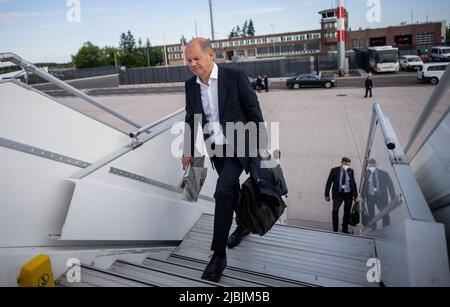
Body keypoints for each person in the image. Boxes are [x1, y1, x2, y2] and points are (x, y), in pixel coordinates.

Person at [182, 38, 267, 282]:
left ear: (211, 55)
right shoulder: (190, 85)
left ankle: (218, 255)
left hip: (240, 146)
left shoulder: (235, 76)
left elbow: (253, 110)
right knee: (230, 189)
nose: (193, 64)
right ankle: (243, 225)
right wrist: (187, 149)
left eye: (196, 58)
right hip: (215, 149)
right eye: (189, 60)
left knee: (223, 190)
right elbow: (191, 118)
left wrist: (260, 145)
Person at [324, 157, 358, 233]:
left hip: (348, 194)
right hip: (338, 194)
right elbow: (329, 182)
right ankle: (335, 229)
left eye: (348, 165)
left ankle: (344, 229)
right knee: (335, 210)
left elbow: (353, 183)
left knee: (347, 212)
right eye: (345, 164)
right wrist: (326, 194)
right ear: (342, 163)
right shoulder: (334, 170)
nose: (347, 166)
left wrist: (355, 196)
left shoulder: (350, 171)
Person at [361, 159, 396, 230]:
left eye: (372, 165)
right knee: (371, 214)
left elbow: (390, 185)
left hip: (381, 197)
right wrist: (362, 196)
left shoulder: (384, 174)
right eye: (370, 166)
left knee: (384, 213)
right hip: (370, 197)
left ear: (375, 165)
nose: (371, 167)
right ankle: (373, 228)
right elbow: (364, 185)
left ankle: (386, 228)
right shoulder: (367, 174)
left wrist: (393, 197)